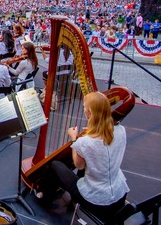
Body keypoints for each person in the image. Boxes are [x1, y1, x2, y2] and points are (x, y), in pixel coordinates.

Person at [43, 92, 129, 222]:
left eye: (84, 107)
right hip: (119, 192)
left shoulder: (86, 142)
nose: (83, 109)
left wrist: (74, 139)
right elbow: (104, 142)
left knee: (55, 165)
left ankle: (45, 200)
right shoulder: (121, 130)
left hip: (96, 199)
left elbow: (79, 165)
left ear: (89, 112)